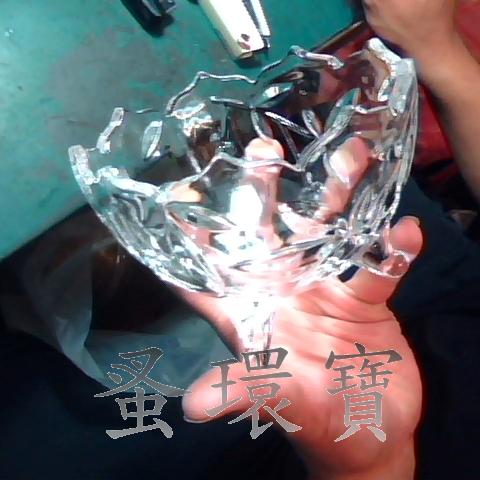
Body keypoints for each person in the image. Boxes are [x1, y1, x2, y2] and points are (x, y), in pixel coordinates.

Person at [180, 1, 480, 479]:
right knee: (333, 153)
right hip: (451, 304)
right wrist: (437, 51)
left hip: (363, 413)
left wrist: (369, 470)